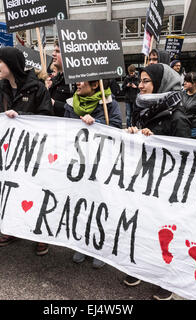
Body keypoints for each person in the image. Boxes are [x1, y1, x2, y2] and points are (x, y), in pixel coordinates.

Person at [125, 62, 191, 300]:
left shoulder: (177, 114)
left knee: (165, 231)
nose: (139, 85)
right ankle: (143, 267)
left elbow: (185, 155)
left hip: (166, 183)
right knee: (143, 225)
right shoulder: (141, 107)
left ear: (161, 83)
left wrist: (157, 141)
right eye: (139, 80)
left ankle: (168, 278)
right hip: (143, 177)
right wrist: (131, 134)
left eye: (145, 81)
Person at [0, 46, 53, 255]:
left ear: (11, 64)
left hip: (33, 152)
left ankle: (40, 234)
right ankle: (13, 228)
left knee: (34, 192)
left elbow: (46, 118)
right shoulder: (1, 89)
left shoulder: (37, 88)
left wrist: (19, 117)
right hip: (10, 151)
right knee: (12, 190)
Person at [64, 78, 122, 268]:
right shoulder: (71, 104)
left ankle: (101, 248)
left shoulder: (109, 103)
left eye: (82, 81)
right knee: (80, 204)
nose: (77, 84)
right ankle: (82, 244)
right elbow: (64, 130)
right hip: (79, 163)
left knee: (100, 205)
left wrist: (95, 123)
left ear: (95, 84)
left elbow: (116, 128)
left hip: (101, 163)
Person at [48, 40, 73, 117]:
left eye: (57, 51)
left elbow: (77, 109)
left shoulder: (74, 79)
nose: (53, 54)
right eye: (54, 51)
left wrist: (54, 103)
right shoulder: (56, 78)